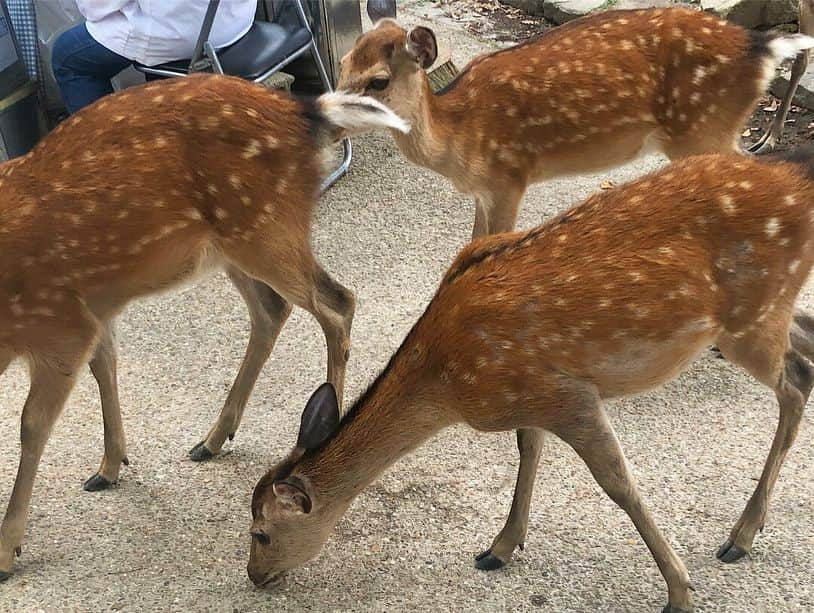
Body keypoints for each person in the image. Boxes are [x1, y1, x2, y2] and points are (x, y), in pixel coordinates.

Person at [51, 1, 256, 114]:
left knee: (67, 57)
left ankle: (111, 160)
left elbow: (96, 7)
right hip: (236, 16)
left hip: (186, 29)